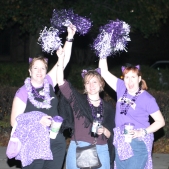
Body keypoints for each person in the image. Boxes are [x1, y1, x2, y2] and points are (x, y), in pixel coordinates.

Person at [10, 24, 76, 169]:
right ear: (29, 71)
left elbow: (63, 61)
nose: (39, 71)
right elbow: (14, 122)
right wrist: (37, 120)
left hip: (56, 142)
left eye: (42, 68)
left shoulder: (49, 83)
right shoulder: (23, 92)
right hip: (33, 143)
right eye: (35, 68)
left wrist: (69, 37)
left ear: (46, 70)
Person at [99, 59, 165, 169]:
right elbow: (104, 72)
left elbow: (160, 122)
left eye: (133, 77)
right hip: (120, 140)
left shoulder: (147, 99)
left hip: (138, 142)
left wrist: (142, 132)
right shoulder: (121, 88)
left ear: (139, 79)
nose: (130, 81)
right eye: (127, 77)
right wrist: (103, 51)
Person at [56, 47, 115, 169]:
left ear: (101, 84)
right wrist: (61, 59)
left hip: (101, 151)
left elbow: (112, 134)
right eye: (88, 82)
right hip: (77, 148)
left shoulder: (108, 108)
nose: (91, 85)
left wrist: (104, 130)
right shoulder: (78, 101)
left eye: (94, 82)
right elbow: (61, 82)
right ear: (84, 86)